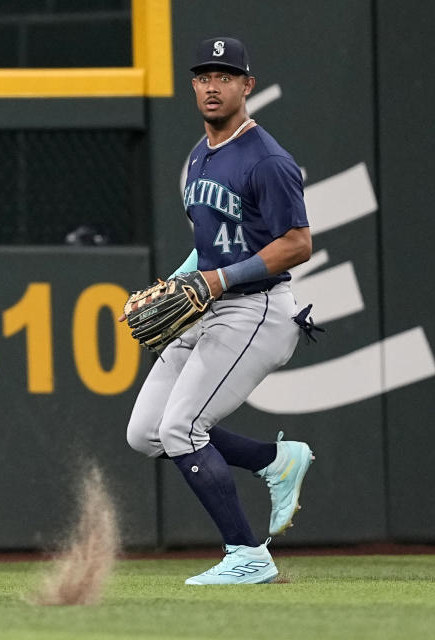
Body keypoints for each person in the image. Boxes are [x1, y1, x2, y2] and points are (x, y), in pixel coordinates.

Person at [124, 37, 317, 585]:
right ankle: (272, 461)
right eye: (204, 76)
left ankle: (248, 555)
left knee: (183, 427)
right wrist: (181, 281)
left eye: (226, 76)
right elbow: (210, 246)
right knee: (147, 434)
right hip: (214, 306)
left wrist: (217, 279)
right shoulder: (200, 153)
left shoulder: (268, 161)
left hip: (256, 310)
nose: (213, 85)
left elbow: (297, 244)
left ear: (246, 86)